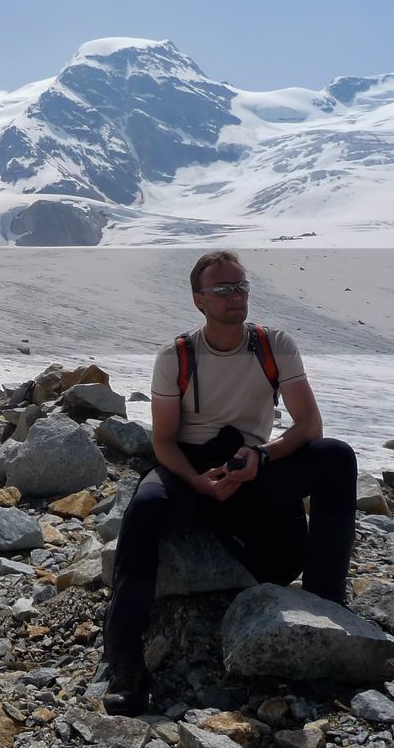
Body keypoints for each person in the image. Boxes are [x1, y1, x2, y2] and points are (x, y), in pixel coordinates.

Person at [100, 250, 357, 716]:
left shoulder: (273, 345)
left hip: (251, 464)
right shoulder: (176, 356)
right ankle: (125, 660)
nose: (234, 296)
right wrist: (197, 483)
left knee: (335, 457)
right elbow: (163, 440)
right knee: (146, 508)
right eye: (222, 289)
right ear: (199, 300)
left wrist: (261, 455)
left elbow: (308, 426)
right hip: (192, 467)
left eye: (240, 286)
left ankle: (326, 604)